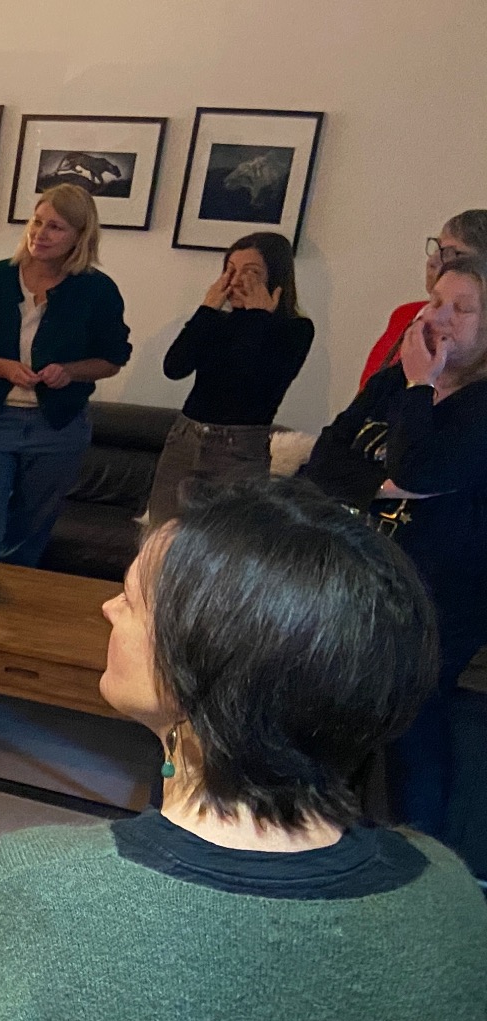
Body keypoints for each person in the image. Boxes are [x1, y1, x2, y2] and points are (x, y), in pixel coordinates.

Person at [0, 476, 487, 1021]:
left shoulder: (39, 892)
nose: (108, 609)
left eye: (132, 599)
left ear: (196, 666)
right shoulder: (451, 896)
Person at [301, 254, 487, 849]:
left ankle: (423, 860)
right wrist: (384, 485)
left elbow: (421, 467)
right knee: (333, 718)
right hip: (357, 582)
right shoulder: (392, 381)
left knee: (412, 727)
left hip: (437, 599)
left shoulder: (465, 399)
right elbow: (323, 460)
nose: (441, 317)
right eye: (437, 302)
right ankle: (322, 844)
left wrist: (420, 386)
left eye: (462, 309)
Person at [0, 183, 131, 566]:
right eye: (37, 222)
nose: (40, 234)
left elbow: (113, 358)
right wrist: (3, 368)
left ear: (80, 235)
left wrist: (70, 372)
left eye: (55, 227)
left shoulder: (97, 291)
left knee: (26, 542)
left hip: (56, 428)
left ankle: (8, 607)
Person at [146, 231, 314, 526]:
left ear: (276, 278)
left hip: (239, 448)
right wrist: (206, 310)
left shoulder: (296, 329)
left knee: (226, 537)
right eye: (230, 270)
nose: (236, 281)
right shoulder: (216, 320)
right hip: (186, 437)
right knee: (162, 531)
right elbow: (174, 367)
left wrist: (257, 318)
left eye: (251, 272)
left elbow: (249, 384)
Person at [361, 209, 487, 387]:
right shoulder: (406, 314)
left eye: (450, 253)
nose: (432, 261)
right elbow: (366, 390)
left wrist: (419, 384)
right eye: (437, 248)